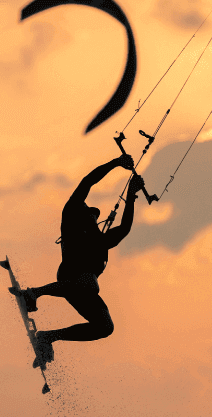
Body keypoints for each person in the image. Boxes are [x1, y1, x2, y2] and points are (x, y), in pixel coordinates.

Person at [19, 153, 145, 367]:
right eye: (89, 210)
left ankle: (48, 337)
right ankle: (32, 294)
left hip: (85, 288)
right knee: (89, 282)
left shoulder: (101, 241)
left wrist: (131, 195)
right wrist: (115, 163)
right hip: (70, 276)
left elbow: (124, 229)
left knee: (105, 327)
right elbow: (89, 181)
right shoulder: (71, 214)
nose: (91, 213)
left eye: (94, 213)